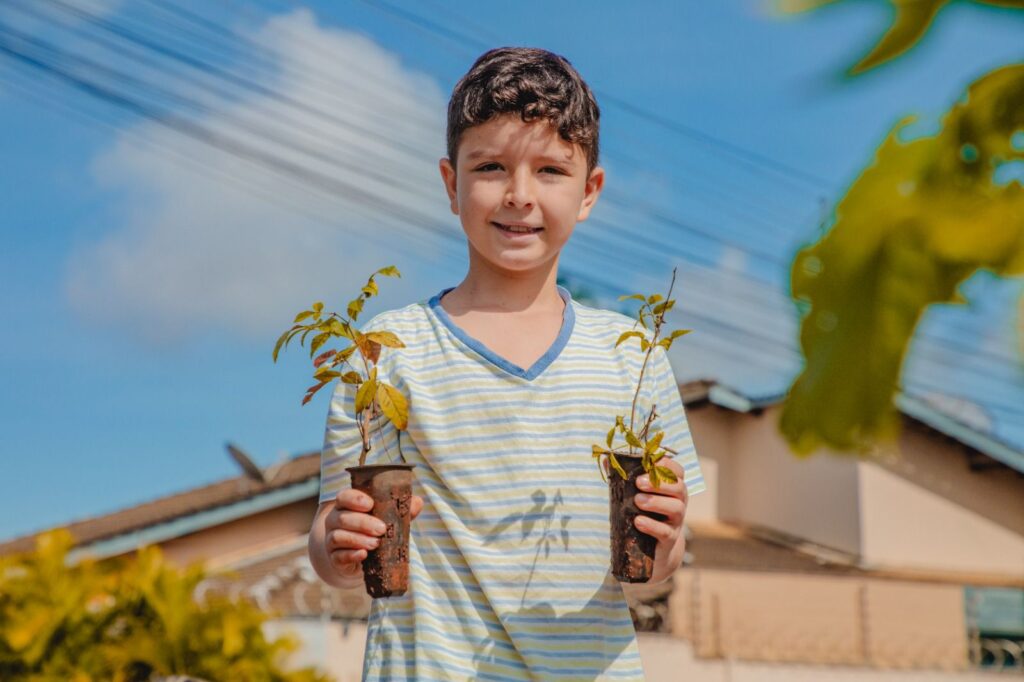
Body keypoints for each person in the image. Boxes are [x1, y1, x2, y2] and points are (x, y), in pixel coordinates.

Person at [308, 46, 706, 681]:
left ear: (589, 192)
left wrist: (666, 536)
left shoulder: (632, 356)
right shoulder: (384, 350)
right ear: (451, 183)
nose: (519, 195)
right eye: (490, 166)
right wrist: (340, 541)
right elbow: (333, 542)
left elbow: (657, 569)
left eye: (551, 170)